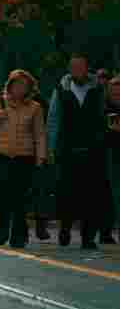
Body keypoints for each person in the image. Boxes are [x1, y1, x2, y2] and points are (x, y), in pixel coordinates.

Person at [0, 69, 46, 249]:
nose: (19, 89)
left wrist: (41, 157)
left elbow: (39, 134)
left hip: (25, 157)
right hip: (1, 155)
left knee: (20, 197)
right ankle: (3, 228)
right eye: (16, 85)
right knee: (3, 195)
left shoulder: (35, 108)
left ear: (29, 88)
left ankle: (18, 235)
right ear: (10, 85)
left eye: (23, 86)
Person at [46, 54, 108, 249]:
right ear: (69, 69)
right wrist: (50, 147)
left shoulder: (98, 89)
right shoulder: (61, 89)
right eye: (73, 67)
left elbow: (103, 115)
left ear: (87, 68)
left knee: (91, 194)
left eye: (80, 67)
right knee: (66, 192)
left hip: (92, 149)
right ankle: (65, 228)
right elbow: (54, 119)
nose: (77, 70)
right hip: (67, 149)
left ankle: (88, 237)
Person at [103, 76, 120, 243]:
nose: (117, 95)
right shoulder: (103, 108)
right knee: (110, 193)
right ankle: (105, 231)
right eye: (114, 92)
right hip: (109, 154)